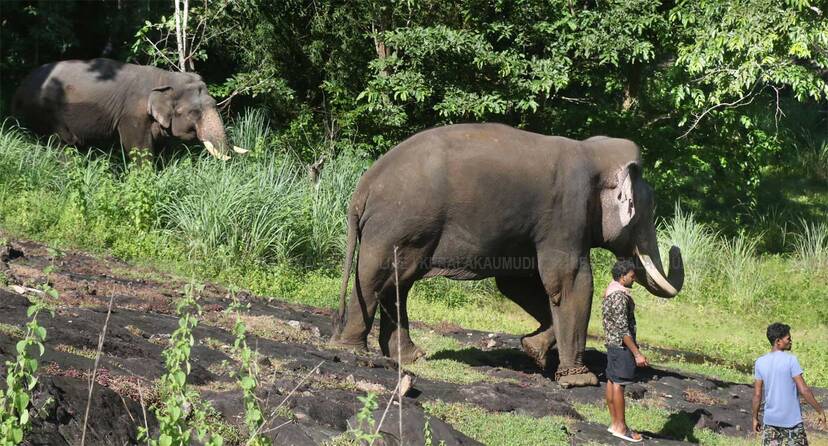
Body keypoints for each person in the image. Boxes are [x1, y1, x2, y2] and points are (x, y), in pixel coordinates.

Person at [753, 323, 826, 446]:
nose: (791, 341)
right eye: (788, 338)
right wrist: (820, 410)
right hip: (792, 423)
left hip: (770, 423)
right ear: (778, 341)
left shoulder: (760, 362)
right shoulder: (791, 360)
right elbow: (804, 390)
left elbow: (757, 395)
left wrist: (755, 418)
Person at [603, 259, 648, 443]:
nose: (633, 279)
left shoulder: (610, 290)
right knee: (619, 385)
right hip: (621, 347)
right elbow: (623, 329)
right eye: (631, 276)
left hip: (612, 344)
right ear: (622, 277)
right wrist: (637, 353)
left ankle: (615, 424)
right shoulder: (619, 296)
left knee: (612, 381)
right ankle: (621, 427)